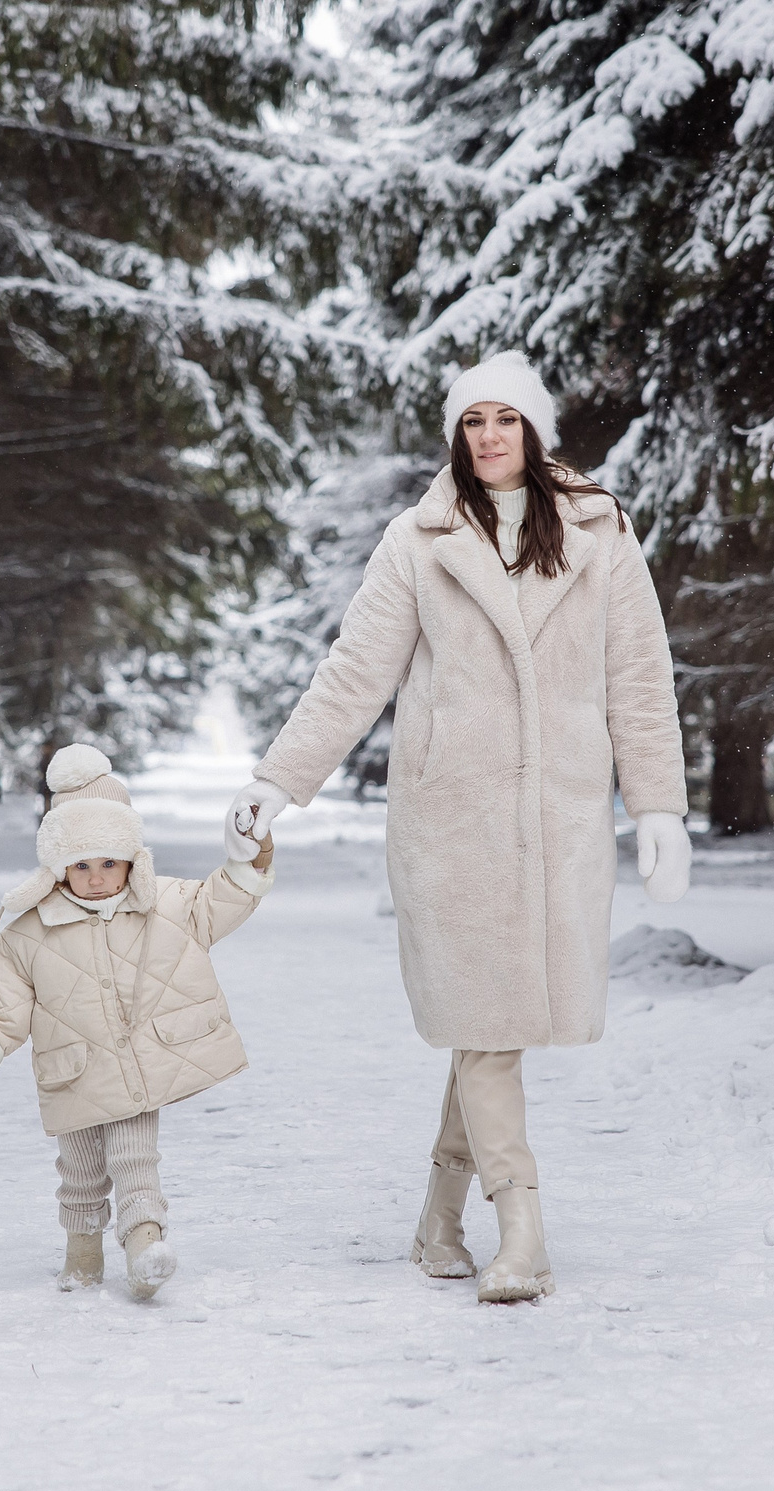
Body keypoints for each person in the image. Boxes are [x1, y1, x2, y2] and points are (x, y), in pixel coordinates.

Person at [224, 351, 689, 1303]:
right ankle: (524, 1231)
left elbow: (640, 677)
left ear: (535, 431)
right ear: (456, 434)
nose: (488, 436)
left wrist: (659, 807)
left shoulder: (602, 534)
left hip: (560, 819)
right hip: (453, 821)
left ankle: (441, 1217)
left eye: (506, 420)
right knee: (485, 1026)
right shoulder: (418, 540)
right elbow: (356, 671)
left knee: (495, 1027)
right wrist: (281, 779)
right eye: (473, 421)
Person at [0, 743, 276, 1300]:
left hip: (141, 1070)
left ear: (131, 859)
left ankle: (145, 1245)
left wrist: (250, 859)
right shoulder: (27, 934)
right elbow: (2, 1007)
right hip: (73, 1071)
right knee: (81, 1171)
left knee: (136, 1156)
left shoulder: (168, 905)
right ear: (59, 864)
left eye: (109, 863)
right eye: (81, 865)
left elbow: (222, 900)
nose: (95, 878)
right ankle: (82, 1254)